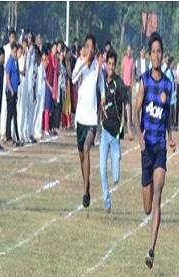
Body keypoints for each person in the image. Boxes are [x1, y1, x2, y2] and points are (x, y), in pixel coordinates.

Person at [134, 32, 176, 269]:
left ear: (162, 54)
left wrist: (170, 137)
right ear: (149, 55)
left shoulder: (168, 85)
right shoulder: (144, 81)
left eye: (160, 51)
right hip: (146, 147)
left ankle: (151, 250)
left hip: (159, 146)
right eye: (153, 51)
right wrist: (139, 137)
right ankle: (148, 206)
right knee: (147, 206)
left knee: (159, 193)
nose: (157, 55)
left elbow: (167, 115)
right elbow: (135, 110)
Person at [72, 33, 103, 208]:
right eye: (87, 46)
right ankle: (87, 185)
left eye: (92, 46)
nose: (89, 49)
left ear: (95, 49)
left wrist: (104, 96)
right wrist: (83, 62)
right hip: (80, 118)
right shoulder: (80, 63)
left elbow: (101, 83)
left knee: (87, 148)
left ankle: (85, 192)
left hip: (92, 118)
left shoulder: (98, 66)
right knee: (81, 157)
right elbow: (73, 78)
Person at [99, 49, 126, 213]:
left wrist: (128, 127)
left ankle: (118, 155)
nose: (110, 67)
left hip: (115, 133)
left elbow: (126, 104)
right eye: (108, 64)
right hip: (104, 131)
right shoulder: (101, 81)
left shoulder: (119, 83)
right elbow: (98, 105)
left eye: (113, 64)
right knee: (102, 170)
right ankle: (106, 202)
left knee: (115, 178)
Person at [5, 43, 22, 146]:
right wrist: (11, 90)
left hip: (15, 92)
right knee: (10, 115)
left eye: (16, 52)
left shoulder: (16, 62)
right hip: (10, 92)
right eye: (14, 52)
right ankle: (8, 136)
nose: (16, 54)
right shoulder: (10, 62)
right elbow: (7, 78)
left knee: (14, 115)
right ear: (11, 51)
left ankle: (16, 136)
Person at [120, 44, 134, 140]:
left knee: (128, 106)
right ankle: (122, 128)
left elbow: (133, 73)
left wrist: (132, 84)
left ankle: (129, 127)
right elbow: (121, 71)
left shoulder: (132, 60)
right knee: (122, 106)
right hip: (123, 85)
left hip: (129, 86)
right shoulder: (124, 59)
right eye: (128, 50)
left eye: (130, 51)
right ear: (126, 51)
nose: (129, 52)